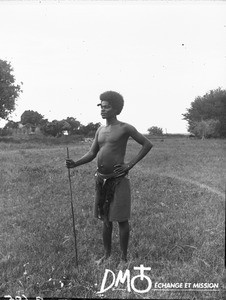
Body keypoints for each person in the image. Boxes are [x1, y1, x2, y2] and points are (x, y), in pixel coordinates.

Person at [66, 91, 153, 264]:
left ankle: (123, 258)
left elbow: (147, 144)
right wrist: (75, 163)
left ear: (116, 109)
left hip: (118, 180)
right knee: (105, 219)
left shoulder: (125, 128)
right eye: (101, 106)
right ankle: (106, 256)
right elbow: (92, 153)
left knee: (121, 220)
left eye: (107, 107)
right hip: (101, 180)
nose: (103, 110)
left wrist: (129, 165)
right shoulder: (100, 130)